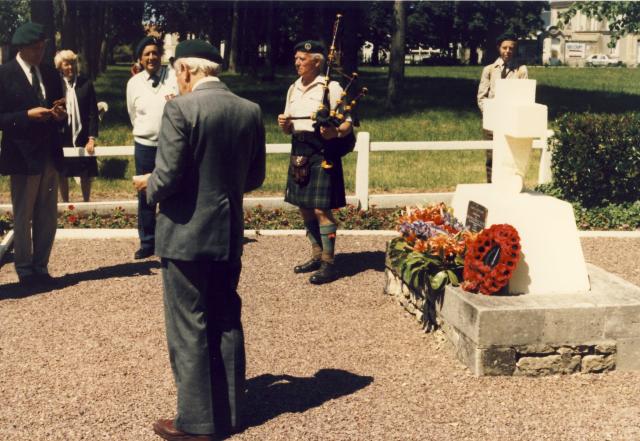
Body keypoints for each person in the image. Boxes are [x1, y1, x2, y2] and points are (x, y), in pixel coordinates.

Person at [132, 39, 265, 441]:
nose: (177, 81)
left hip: (186, 235)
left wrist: (147, 185)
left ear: (187, 70)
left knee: (188, 324)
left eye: (177, 73)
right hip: (227, 234)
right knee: (226, 315)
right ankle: (232, 411)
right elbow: (254, 178)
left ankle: (196, 421)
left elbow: (168, 177)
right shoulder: (249, 110)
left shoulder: (181, 109)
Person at [277, 40, 353, 285]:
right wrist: (285, 126)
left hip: (322, 149)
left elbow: (347, 122)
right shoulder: (293, 88)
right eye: (296, 58)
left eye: (302, 59)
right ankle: (316, 255)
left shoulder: (331, 87)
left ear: (317, 61)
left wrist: (337, 133)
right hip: (299, 148)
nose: (297, 62)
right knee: (304, 206)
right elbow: (289, 127)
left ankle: (329, 264)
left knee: (321, 209)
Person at [0, 22, 66, 284]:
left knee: (47, 214)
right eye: (35, 49)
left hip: (49, 153)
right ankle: (24, 269)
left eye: (42, 48)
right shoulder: (4, 74)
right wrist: (26, 116)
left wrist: (59, 116)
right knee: (23, 213)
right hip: (22, 156)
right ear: (21, 48)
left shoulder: (50, 74)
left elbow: (60, 110)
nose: (40, 54)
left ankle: (41, 266)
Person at [126, 36, 177, 260]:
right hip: (145, 146)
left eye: (155, 53)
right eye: (147, 54)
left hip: (171, 145)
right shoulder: (134, 83)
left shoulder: (173, 78)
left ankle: (171, 240)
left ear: (161, 56)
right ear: (140, 58)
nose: (151, 57)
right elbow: (132, 114)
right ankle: (147, 242)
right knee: (146, 195)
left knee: (172, 192)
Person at [477, 33, 528, 183]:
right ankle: (490, 185)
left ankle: (508, 187)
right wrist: (490, 116)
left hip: (511, 122)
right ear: (499, 48)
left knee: (511, 158)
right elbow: (481, 97)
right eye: (504, 47)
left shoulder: (521, 70)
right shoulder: (489, 70)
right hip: (492, 123)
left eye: (511, 48)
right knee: (491, 157)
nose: (507, 51)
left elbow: (524, 96)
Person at [54, 50, 99, 202]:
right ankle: (66, 205)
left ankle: (86, 202)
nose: (70, 67)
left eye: (73, 63)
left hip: (83, 134)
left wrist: (91, 139)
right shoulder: (56, 86)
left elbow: (93, 113)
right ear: (60, 66)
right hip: (62, 134)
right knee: (62, 171)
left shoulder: (86, 84)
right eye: (66, 64)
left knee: (85, 171)